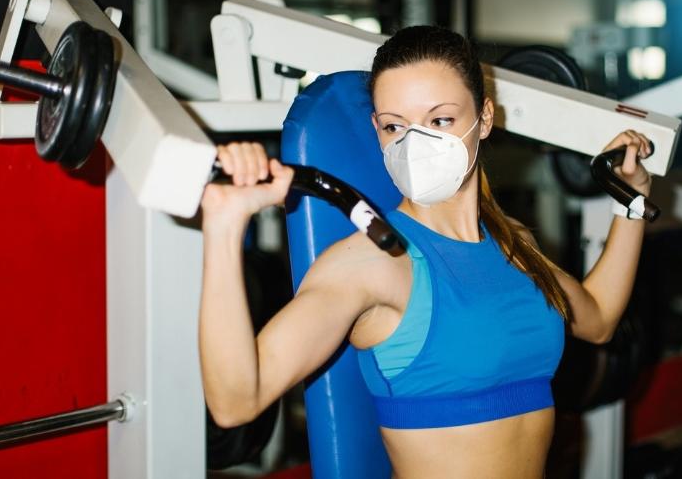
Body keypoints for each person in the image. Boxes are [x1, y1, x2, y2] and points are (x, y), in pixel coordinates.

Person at [199, 25, 652, 478]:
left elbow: (598, 318)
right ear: (377, 130)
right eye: (395, 126)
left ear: (485, 118)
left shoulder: (514, 244)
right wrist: (223, 225)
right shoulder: (373, 262)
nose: (415, 144)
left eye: (440, 120)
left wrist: (629, 202)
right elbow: (238, 402)